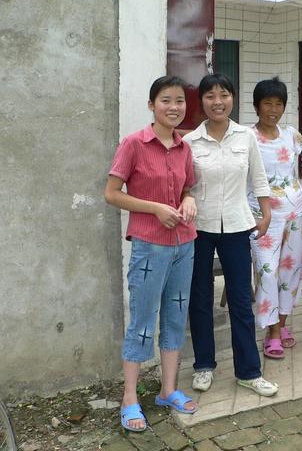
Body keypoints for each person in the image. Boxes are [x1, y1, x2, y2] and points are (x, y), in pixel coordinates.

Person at [105, 76, 198, 432]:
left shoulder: (184, 147)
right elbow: (112, 193)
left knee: (176, 317)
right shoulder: (134, 144)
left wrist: (188, 199)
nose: (173, 107)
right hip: (149, 244)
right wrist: (155, 208)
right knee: (143, 322)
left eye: (178, 101)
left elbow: (188, 186)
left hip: (184, 245)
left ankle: (167, 389)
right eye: (165, 101)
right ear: (151, 105)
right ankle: (130, 398)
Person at [184, 73, 278, 397]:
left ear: (232, 99)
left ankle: (249, 372)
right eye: (210, 96)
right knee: (200, 299)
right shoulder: (190, 142)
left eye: (223, 95)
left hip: (238, 226)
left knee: (240, 300)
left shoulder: (246, 137)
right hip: (198, 228)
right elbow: (183, 185)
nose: (217, 102)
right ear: (202, 102)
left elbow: (259, 177)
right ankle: (204, 366)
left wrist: (266, 211)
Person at [247, 77, 302, 359]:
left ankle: (280, 325)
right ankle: (270, 331)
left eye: (278, 103)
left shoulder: (293, 136)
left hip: (295, 211)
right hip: (262, 215)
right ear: (257, 106)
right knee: (267, 271)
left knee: (290, 272)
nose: (273, 109)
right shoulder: (247, 137)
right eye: (267, 103)